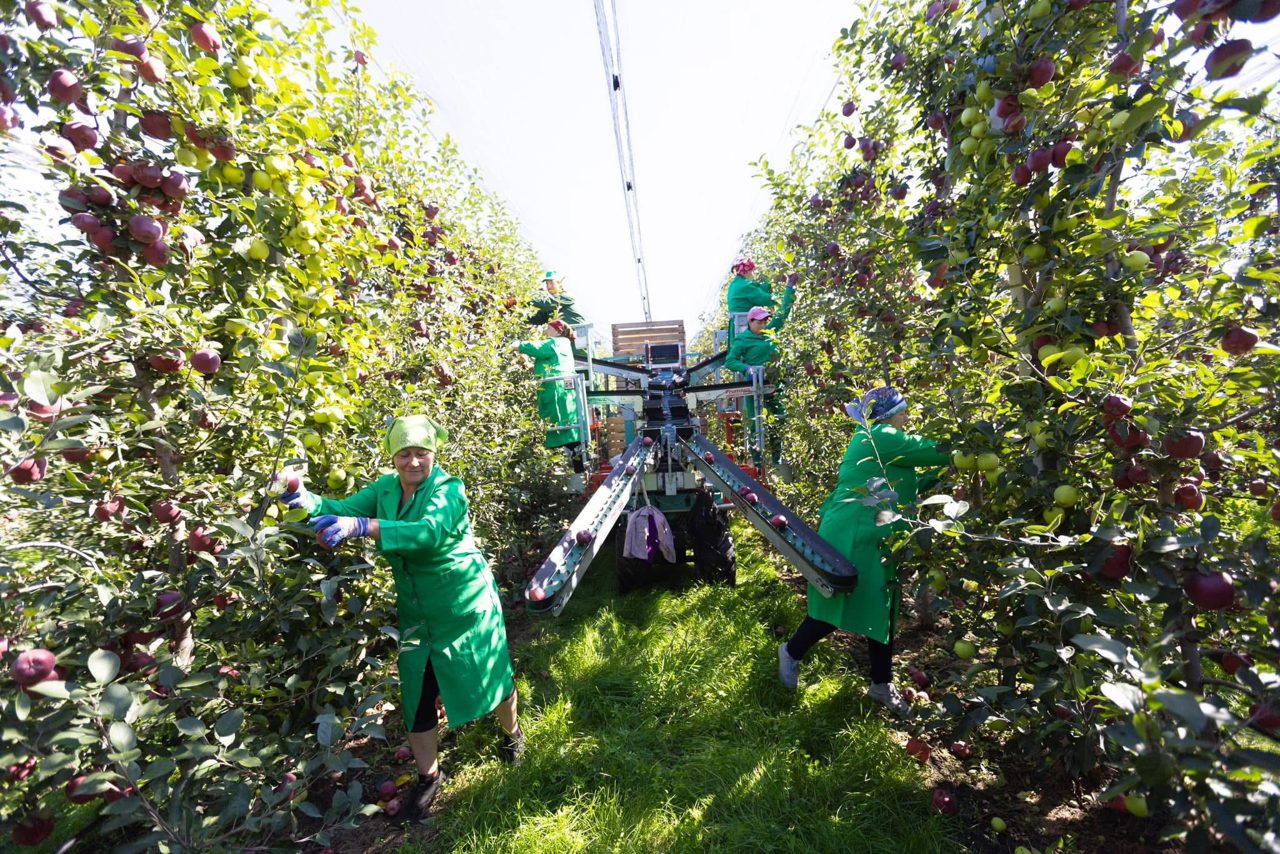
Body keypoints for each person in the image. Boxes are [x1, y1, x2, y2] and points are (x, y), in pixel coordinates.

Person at [282, 414, 524, 822]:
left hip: (463, 602)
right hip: (416, 612)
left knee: (491, 675)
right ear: (394, 457)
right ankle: (429, 776)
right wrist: (307, 501)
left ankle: (512, 734)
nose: (413, 462)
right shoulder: (386, 489)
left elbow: (427, 532)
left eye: (421, 453)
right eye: (404, 454)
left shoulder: (448, 489)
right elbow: (338, 509)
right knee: (416, 693)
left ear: (433, 454)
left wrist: (363, 526)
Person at [777, 386, 949, 716]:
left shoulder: (879, 441)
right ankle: (792, 651)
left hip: (874, 536)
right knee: (839, 603)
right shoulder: (881, 435)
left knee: (881, 608)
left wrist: (941, 474)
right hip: (855, 535)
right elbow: (933, 450)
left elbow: (903, 485)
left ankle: (881, 684)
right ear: (889, 413)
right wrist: (977, 442)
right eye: (903, 410)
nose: (906, 416)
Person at [723, 304, 791, 465]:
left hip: (774, 385)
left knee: (778, 417)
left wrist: (790, 288)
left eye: (765, 322)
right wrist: (746, 368)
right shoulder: (742, 340)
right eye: (759, 322)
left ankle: (776, 458)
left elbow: (783, 314)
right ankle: (758, 462)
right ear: (750, 322)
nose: (763, 325)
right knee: (755, 423)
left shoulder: (769, 333)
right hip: (754, 386)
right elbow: (730, 361)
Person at [517, 320, 585, 472]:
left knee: (561, 426)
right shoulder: (562, 344)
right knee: (566, 428)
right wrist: (528, 365)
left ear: (557, 330)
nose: (546, 330)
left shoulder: (557, 342)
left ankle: (571, 468)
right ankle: (575, 467)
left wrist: (518, 344)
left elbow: (539, 348)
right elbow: (549, 364)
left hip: (557, 390)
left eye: (548, 328)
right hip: (559, 389)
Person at [725, 257, 793, 326]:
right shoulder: (745, 286)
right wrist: (788, 294)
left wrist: (773, 280)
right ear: (746, 271)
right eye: (752, 271)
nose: (753, 274)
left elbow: (758, 289)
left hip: (738, 324)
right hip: (745, 325)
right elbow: (765, 299)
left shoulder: (737, 283)